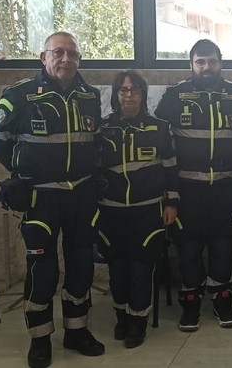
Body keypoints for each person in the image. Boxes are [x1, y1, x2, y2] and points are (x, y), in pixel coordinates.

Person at [0, 31, 105, 368]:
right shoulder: (19, 95)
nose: (66, 59)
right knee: (43, 269)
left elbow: (95, 142)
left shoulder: (90, 96)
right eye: (58, 52)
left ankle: (77, 330)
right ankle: (40, 338)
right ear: (44, 57)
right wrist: (20, 174)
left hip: (81, 194)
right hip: (41, 197)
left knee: (81, 265)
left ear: (79, 60)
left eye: (72, 54)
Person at [154, 40, 232, 331]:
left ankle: (222, 300)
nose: (206, 67)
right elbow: (161, 145)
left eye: (212, 61)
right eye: (200, 62)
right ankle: (191, 303)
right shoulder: (173, 96)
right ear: (191, 64)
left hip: (226, 188)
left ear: (221, 62)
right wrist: (169, 191)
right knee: (189, 248)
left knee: (223, 247)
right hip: (187, 190)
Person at [96, 70, 179, 348]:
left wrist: (172, 203)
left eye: (134, 90)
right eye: (123, 90)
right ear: (115, 95)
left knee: (142, 269)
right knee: (118, 269)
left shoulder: (160, 128)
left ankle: (138, 321)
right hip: (110, 212)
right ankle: (121, 317)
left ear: (143, 94)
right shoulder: (102, 129)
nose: (128, 95)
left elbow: (171, 169)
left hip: (148, 211)